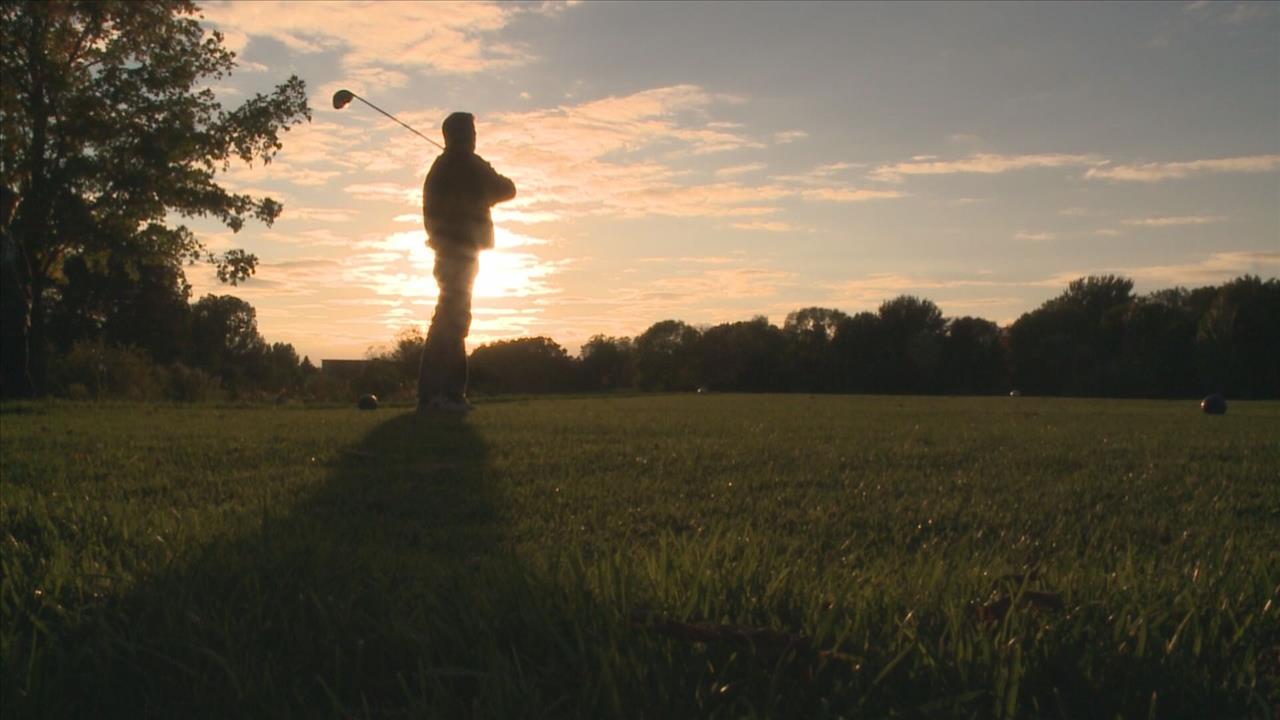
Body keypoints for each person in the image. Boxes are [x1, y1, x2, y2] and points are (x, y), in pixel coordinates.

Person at [417, 112, 516, 413]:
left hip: (452, 253)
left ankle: (448, 394)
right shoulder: (467, 165)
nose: (475, 136)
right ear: (462, 134)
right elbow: (507, 189)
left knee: (454, 319)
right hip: (457, 253)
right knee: (450, 320)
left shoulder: (444, 166)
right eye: (472, 130)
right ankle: (439, 396)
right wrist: (484, 166)